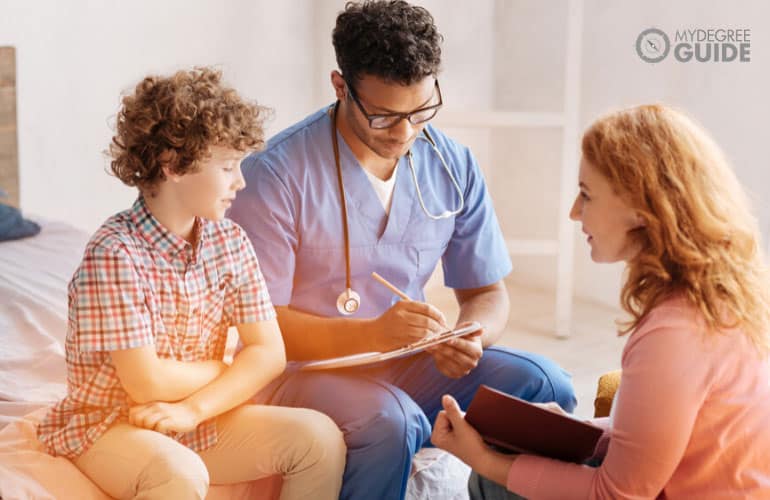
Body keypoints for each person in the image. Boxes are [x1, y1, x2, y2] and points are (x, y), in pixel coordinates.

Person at [227, 2, 576, 498]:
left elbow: (487, 291)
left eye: (421, 111)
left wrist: (470, 336)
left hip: (410, 364)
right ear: (340, 86)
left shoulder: (451, 163)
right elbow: (261, 328)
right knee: (392, 423)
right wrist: (371, 333)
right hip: (302, 372)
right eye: (385, 115)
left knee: (545, 385)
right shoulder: (276, 174)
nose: (406, 132)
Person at [431, 104, 770, 499]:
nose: (575, 212)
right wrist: (588, 433)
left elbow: (616, 494)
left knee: (491, 481)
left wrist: (482, 461)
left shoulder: (674, 331)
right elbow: (681, 431)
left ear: (641, 210)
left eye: (586, 195)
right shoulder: (720, 291)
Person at [37, 67, 346, 500]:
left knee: (319, 437)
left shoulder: (230, 240)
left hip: (193, 414)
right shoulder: (114, 252)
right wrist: (226, 368)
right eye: (227, 167)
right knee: (179, 474)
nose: (240, 181)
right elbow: (146, 384)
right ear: (173, 165)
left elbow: (270, 354)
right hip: (109, 423)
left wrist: (193, 409)